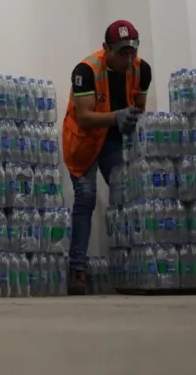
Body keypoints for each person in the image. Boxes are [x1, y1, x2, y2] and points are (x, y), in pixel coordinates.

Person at [61, 19, 152, 295]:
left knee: (126, 197)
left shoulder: (142, 69)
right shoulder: (86, 70)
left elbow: (139, 108)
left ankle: (133, 265)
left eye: (132, 52)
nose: (128, 58)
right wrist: (117, 117)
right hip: (85, 141)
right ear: (106, 48)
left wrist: (132, 121)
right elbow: (86, 117)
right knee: (86, 197)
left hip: (113, 139)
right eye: (122, 52)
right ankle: (78, 269)